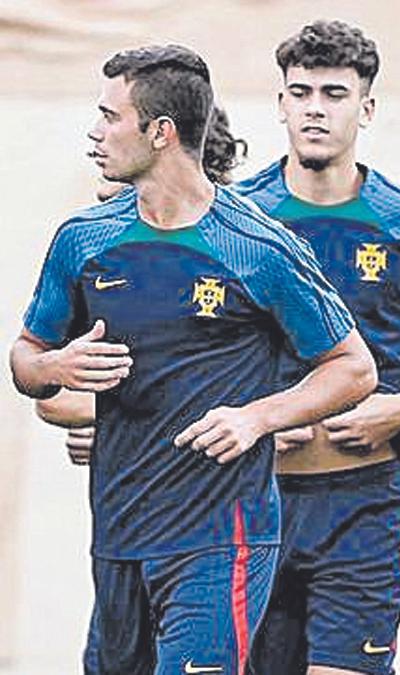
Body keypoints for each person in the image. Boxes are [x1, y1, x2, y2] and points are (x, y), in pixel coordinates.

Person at [9, 44, 376, 675]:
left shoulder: (259, 247)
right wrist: (53, 369)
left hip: (222, 538)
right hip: (119, 533)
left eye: (110, 117)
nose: (95, 132)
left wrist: (257, 418)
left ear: (160, 133)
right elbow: (26, 358)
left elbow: (353, 368)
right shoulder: (83, 239)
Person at [239, 20, 400, 675]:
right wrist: (261, 416)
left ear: (367, 108)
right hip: (253, 496)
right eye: (301, 93)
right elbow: (193, 350)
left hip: (364, 500)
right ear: (280, 104)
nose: (315, 109)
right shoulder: (238, 219)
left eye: (334, 94)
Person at [37, 104, 249, 438]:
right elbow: (55, 398)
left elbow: (310, 383)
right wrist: (118, 421)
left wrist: (262, 420)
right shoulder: (97, 260)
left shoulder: (249, 256)